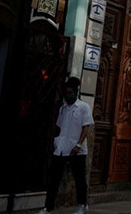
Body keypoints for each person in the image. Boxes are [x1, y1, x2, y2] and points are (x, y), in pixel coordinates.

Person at [37, 76, 93, 214]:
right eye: (66, 93)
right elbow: (60, 127)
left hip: (77, 150)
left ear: (76, 92)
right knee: (54, 179)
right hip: (61, 148)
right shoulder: (63, 109)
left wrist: (78, 144)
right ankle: (48, 207)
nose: (68, 95)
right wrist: (56, 142)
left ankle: (82, 204)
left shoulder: (83, 107)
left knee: (79, 178)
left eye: (70, 93)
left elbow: (86, 128)